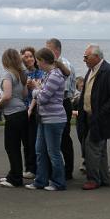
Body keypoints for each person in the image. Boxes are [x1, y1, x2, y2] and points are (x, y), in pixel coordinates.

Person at [77, 44, 110, 190]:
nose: (84, 60)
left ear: (96, 56)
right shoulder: (92, 70)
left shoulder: (108, 72)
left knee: (93, 148)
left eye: (86, 57)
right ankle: (102, 178)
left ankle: (93, 179)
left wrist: (100, 113)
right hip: (91, 116)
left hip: (100, 118)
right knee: (98, 149)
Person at [26, 48, 70, 191]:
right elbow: (43, 94)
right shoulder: (49, 74)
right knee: (40, 150)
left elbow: (43, 98)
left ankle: (58, 182)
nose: (37, 64)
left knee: (53, 152)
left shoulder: (54, 76)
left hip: (54, 119)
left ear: (43, 61)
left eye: (38, 61)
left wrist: (34, 90)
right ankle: (41, 180)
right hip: (45, 118)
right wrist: (39, 90)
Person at [0, 49, 29, 188]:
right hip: (22, 112)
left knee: (11, 146)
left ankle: (15, 178)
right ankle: (14, 174)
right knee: (17, 146)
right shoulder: (22, 75)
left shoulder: (8, 75)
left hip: (12, 115)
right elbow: (25, 94)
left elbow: (7, 96)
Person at [46, 38, 76, 180]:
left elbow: (62, 89)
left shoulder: (64, 65)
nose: (46, 52)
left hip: (62, 103)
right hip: (59, 103)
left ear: (56, 50)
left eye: (49, 49)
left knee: (63, 138)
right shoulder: (55, 66)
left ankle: (67, 171)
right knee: (57, 139)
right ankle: (60, 169)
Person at [20, 46, 44, 180]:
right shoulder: (22, 73)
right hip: (23, 108)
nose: (28, 58)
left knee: (33, 140)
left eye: (30, 56)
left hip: (34, 109)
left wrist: (30, 109)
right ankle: (28, 167)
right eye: (25, 56)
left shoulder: (38, 72)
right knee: (25, 141)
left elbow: (37, 92)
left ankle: (34, 168)